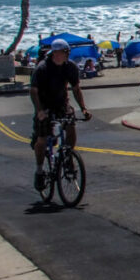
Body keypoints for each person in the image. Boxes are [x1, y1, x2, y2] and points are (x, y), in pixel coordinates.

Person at [30, 39, 91, 191]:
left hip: (61, 104)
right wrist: (40, 111)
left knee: (71, 127)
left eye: (68, 52)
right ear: (56, 53)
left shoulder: (70, 67)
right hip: (44, 106)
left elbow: (76, 89)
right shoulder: (42, 68)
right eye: (65, 52)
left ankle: (68, 156)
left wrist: (83, 109)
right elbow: (33, 91)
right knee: (42, 139)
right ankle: (39, 170)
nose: (68, 55)